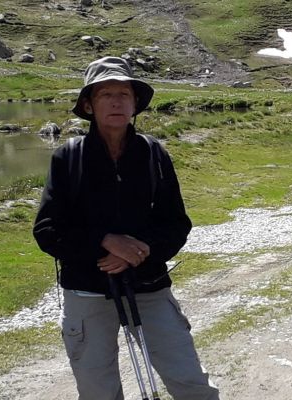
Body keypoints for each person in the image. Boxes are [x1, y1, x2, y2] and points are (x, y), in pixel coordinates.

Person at [33, 57, 220, 400]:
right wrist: (105, 242)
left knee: (192, 384)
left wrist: (139, 251)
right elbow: (47, 229)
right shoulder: (68, 158)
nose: (117, 101)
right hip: (86, 292)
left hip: (149, 284)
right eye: (106, 94)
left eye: (124, 93)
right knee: (98, 392)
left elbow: (177, 224)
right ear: (89, 105)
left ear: (135, 104)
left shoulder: (153, 154)